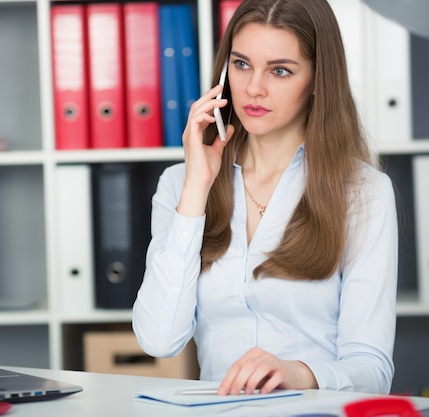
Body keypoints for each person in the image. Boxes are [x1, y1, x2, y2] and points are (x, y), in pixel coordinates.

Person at [132, 0, 398, 396]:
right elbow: (159, 339)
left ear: (317, 80)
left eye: (280, 70)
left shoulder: (363, 192)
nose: (254, 88)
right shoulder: (179, 185)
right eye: (241, 64)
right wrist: (196, 188)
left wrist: (298, 373)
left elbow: (372, 368)